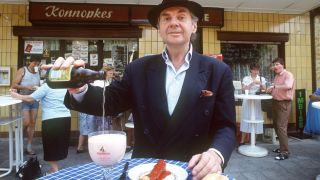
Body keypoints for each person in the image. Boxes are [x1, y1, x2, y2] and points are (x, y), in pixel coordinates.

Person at [46, 0, 236, 179]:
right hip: (145, 170)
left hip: (193, 169)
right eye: (166, 18)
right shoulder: (138, 68)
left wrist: (216, 154)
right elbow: (110, 102)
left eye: (181, 17)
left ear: (193, 26)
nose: (174, 23)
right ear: (159, 28)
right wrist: (78, 87)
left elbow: (226, 126)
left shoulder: (218, 71)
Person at [10, 83, 71, 173]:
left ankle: (55, 171)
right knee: (59, 145)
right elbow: (53, 93)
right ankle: (53, 170)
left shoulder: (47, 86)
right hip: (65, 118)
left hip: (51, 120)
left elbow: (29, 98)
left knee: (50, 146)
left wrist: (16, 95)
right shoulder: (65, 85)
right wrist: (40, 89)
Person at [11, 55, 41, 155]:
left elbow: (38, 85)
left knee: (32, 123)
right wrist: (26, 87)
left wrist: (39, 88)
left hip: (34, 99)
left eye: (37, 63)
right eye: (34, 63)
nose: (35, 65)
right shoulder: (22, 70)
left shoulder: (38, 72)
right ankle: (19, 137)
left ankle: (29, 146)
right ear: (30, 62)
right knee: (27, 122)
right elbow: (14, 85)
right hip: (23, 99)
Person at [266, 57, 295, 160]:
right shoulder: (277, 76)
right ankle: (281, 147)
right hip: (275, 102)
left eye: (277, 64)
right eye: (274, 65)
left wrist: (274, 87)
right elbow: (276, 88)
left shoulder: (288, 75)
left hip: (284, 103)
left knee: (281, 126)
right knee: (276, 125)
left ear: (283, 65)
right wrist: (269, 90)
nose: (275, 67)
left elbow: (288, 85)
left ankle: (285, 152)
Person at [239, 63, 266, 146]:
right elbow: (243, 89)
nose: (256, 71)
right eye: (254, 69)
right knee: (245, 117)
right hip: (247, 99)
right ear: (250, 70)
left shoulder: (261, 78)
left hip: (257, 100)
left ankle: (253, 141)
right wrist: (251, 83)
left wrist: (260, 84)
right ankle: (242, 141)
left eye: (257, 70)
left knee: (256, 117)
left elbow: (264, 89)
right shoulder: (246, 78)